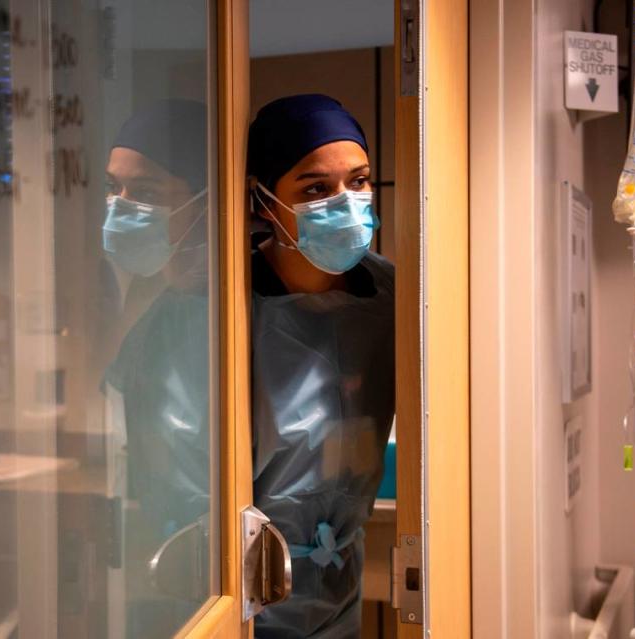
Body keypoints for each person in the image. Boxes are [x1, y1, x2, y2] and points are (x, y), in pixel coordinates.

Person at [247, 94, 396, 638]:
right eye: (315, 189)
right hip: (245, 594)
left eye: (358, 182)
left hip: (340, 584)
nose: (345, 202)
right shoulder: (230, 308)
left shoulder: (395, 298)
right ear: (265, 201)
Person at [101, 98, 212, 638]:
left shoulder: (228, 317)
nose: (121, 207)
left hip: (218, 582)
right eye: (114, 187)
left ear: (203, 199)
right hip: (153, 569)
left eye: (145, 193)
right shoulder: (149, 306)